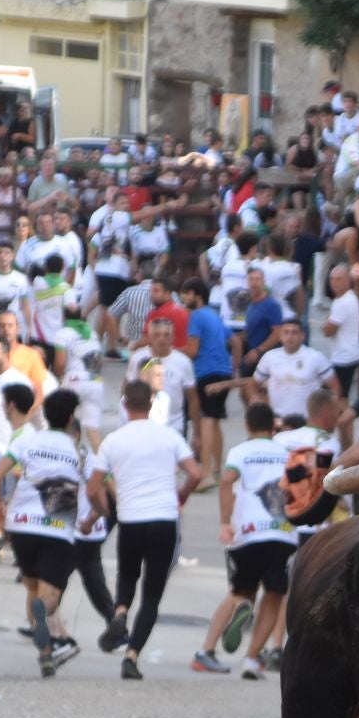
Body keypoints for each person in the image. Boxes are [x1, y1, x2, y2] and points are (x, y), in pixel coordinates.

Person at [88, 381, 204, 678]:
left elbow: (93, 488)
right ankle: (132, 656)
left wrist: (101, 512)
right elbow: (196, 473)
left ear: (124, 405)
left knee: (126, 576)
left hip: (130, 519)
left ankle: (120, 612)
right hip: (164, 519)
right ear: (151, 405)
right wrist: (181, 497)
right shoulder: (169, 436)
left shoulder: (113, 441)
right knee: (152, 594)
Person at [0, 387, 84, 678]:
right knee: (50, 592)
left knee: (32, 587)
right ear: (70, 418)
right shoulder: (76, 449)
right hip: (57, 527)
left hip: (22, 523)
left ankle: (45, 654)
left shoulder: (29, 440)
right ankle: (44, 615)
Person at [193, 402, 292, 680]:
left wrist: (225, 522)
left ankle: (206, 651)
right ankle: (251, 659)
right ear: (273, 426)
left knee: (239, 592)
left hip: (249, 532)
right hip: (283, 532)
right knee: (274, 595)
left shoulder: (241, 451)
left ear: (247, 425)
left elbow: (227, 481)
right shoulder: (286, 454)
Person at [181, 277, 232, 484]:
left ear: (197, 295)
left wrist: (171, 353)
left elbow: (192, 350)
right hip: (224, 371)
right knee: (215, 420)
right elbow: (234, 341)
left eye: (187, 293)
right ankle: (218, 470)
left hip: (206, 372)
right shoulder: (215, 315)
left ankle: (207, 473)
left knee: (206, 421)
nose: (184, 297)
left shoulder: (197, 317)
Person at [252, 319, 335, 423]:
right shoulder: (270, 357)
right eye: (286, 332)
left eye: (294, 332)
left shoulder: (316, 357)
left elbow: (335, 387)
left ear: (302, 336)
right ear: (280, 336)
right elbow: (254, 384)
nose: (289, 337)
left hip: (307, 420)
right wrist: (255, 398)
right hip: (278, 419)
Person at [128, 317, 195, 436]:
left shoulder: (183, 362)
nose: (162, 339)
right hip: (144, 427)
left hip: (174, 427)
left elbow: (192, 398)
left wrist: (198, 433)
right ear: (149, 338)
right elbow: (127, 391)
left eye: (166, 335)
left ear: (173, 337)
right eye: (157, 335)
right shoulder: (138, 359)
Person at [320, 263, 359, 398]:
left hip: (344, 357)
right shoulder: (343, 299)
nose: (334, 283)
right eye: (332, 279)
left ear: (348, 280)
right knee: (340, 393)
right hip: (347, 354)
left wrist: (325, 324)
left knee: (338, 395)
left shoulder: (344, 302)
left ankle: (344, 418)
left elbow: (328, 330)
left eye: (338, 279)